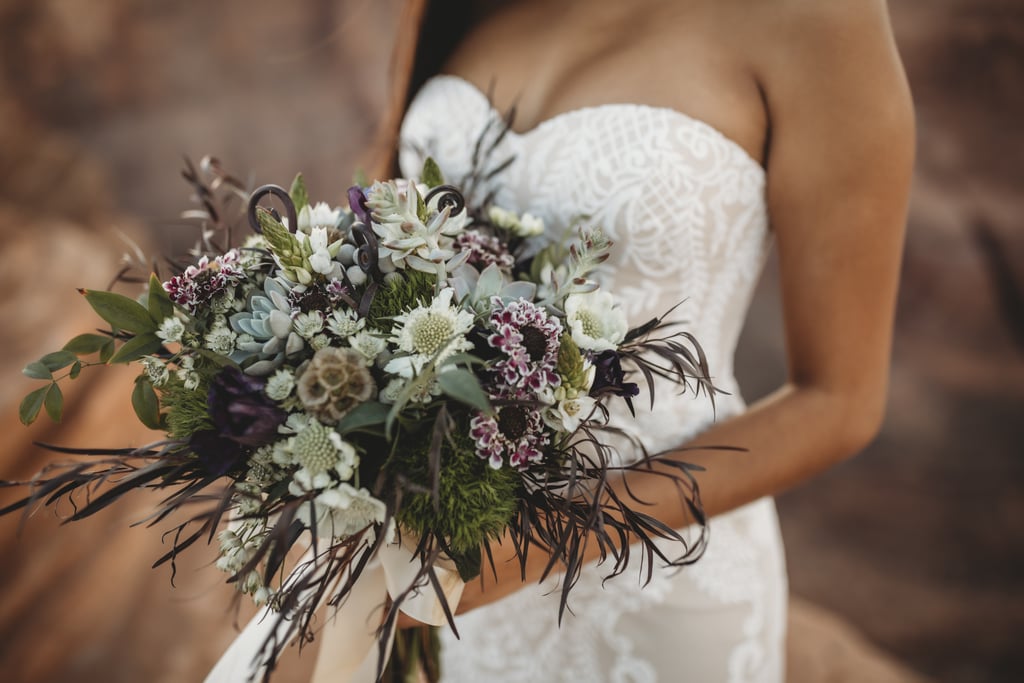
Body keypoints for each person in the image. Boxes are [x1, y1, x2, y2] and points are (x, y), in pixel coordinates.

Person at [315, 0, 914, 680]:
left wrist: (544, 539)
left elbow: (840, 400)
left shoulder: (822, 21)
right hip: (458, 571)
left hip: (658, 581)